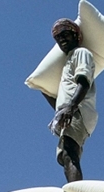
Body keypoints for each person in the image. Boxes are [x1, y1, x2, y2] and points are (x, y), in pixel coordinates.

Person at [42, 18, 98, 182]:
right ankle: (75, 191)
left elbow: (84, 82)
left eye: (65, 34)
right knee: (65, 156)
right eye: (58, 38)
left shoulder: (81, 53)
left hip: (78, 110)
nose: (62, 40)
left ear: (76, 35)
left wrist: (71, 108)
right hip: (70, 111)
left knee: (69, 152)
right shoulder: (66, 63)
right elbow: (62, 97)